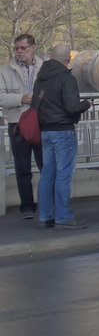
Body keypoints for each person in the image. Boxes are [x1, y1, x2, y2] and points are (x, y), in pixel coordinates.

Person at [35, 43, 90, 230]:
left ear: (51, 57)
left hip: (45, 131)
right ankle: (63, 216)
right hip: (63, 131)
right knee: (64, 174)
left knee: (47, 174)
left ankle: (45, 216)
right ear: (68, 59)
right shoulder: (67, 78)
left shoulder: (41, 77)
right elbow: (72, 107)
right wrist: (86, 104)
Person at [1, 33, 44, 218]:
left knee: (46, 166)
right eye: (16, 48)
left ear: (33, 47)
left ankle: (47, 204)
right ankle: (27, 207)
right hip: (17, 124)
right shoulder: (4, 70)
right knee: (22, 167)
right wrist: (22, 98)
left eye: (23, 48)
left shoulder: (45, 67)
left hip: (41, 122)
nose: (19, 51)